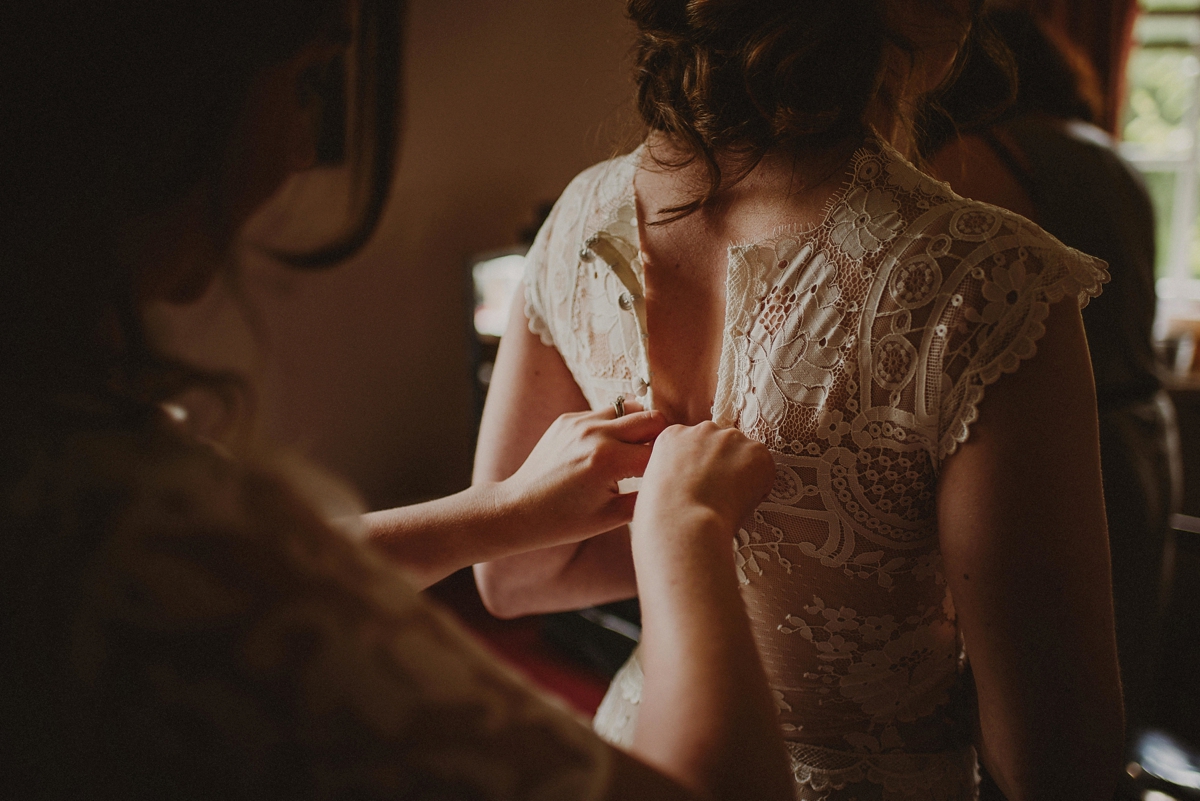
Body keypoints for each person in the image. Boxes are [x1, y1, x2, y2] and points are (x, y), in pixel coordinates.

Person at [0, 2, 796, 799]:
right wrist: (682, 527)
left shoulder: (63, 460)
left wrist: (504, 512)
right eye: (307, 82)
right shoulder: (134, 522)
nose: (303, 147)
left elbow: (272, 571)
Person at [474, 0, 1125, 798]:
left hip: (643, 761)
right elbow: (1057, 764)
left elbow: (512, 579)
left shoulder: (576, 214)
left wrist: (704, 546)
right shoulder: (988, 280)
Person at [927, 7, 1183, 743]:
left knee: (1031, 669)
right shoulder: (1111, 155)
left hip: (1060, 438)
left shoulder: (981, 158)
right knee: (1117, 643)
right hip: (1145, 429)